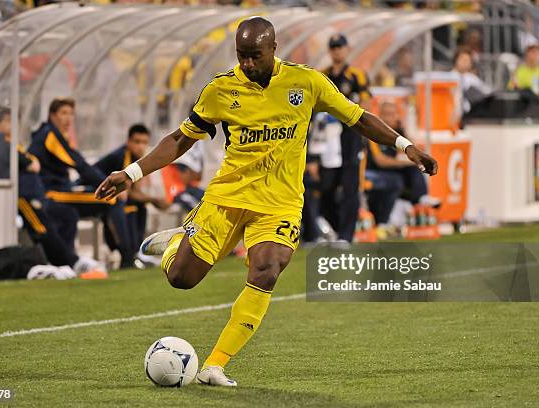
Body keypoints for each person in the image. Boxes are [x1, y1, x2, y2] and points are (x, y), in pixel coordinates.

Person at [96, 17, 437, 386]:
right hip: (227, 197)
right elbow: (181, 139)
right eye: (241, 56)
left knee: (267, 268)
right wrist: (130, 174)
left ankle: (214, 365)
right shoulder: (221, 90)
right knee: (182, 279)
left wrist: (406, 146)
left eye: (254, 56)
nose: (247, 64)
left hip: (280, 203)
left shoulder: (306, 82)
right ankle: (175, 246)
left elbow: (358, 118)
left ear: (273, 49)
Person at [0, 106, 104, 275]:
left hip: (36, 196)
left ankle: (66, 261)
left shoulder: (13, 144)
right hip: (21, 198)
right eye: (8, 121)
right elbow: (29, 164)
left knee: (68, 214)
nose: (13, 125)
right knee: (42, 228)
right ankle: (68, 263)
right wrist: (29, 162)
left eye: (14, 121)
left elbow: (31, 163)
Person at [28, 98, 136, 269]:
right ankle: (128, 258)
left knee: (95, 205)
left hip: (62, 189)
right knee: (112, 199)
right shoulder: (50, 134)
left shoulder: (54, 134)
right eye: (63, 113)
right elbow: (79, 164)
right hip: (50, 192)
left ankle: (123, 254)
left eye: (71, 114)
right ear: (52, 115)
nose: (68, 118)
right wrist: (109, 184)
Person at [319, 33, 372, 242]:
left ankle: (346, 236)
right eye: (333, 47)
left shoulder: (357, 75)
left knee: (350, 186)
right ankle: (333, 228)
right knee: (326, 186)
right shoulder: (323, 75)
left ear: (346, 49)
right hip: (328, 139)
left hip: (351, 137)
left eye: (340, 46)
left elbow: (366, 106)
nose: (337, 51)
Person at [94, 124, 169, 248]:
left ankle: (137, 249)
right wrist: (154, 200)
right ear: (128, 142)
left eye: (144, 142)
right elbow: (128, 193)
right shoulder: (121, 157)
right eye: (137, 142)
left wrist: (153, 200)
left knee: (139, 205)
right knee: (127, 205)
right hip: (93, 192)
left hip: (112, 197)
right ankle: (127, 252)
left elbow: (136, 191)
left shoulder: (137, 159)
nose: (141, 147)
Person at [365, 101, 432, 229]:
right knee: (398, 179)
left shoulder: (398, 133)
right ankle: (384, 221)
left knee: (414, 168)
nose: (389, 118)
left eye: (392, 114)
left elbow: (412, 150)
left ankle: (421, 201)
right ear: (379, 115)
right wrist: (403, 163)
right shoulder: (373, 133)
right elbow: (380, 161)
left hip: (392, 171)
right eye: (386, 114)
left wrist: (404, 129)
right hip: (373, 171)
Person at [452, 48, 491, 113]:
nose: (464, 62)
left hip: (470, 113)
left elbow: (487, 92)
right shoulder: (448, 77)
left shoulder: (473, 79)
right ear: (456, 60)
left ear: (471, 64)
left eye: (467, 60)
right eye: (462, 59)